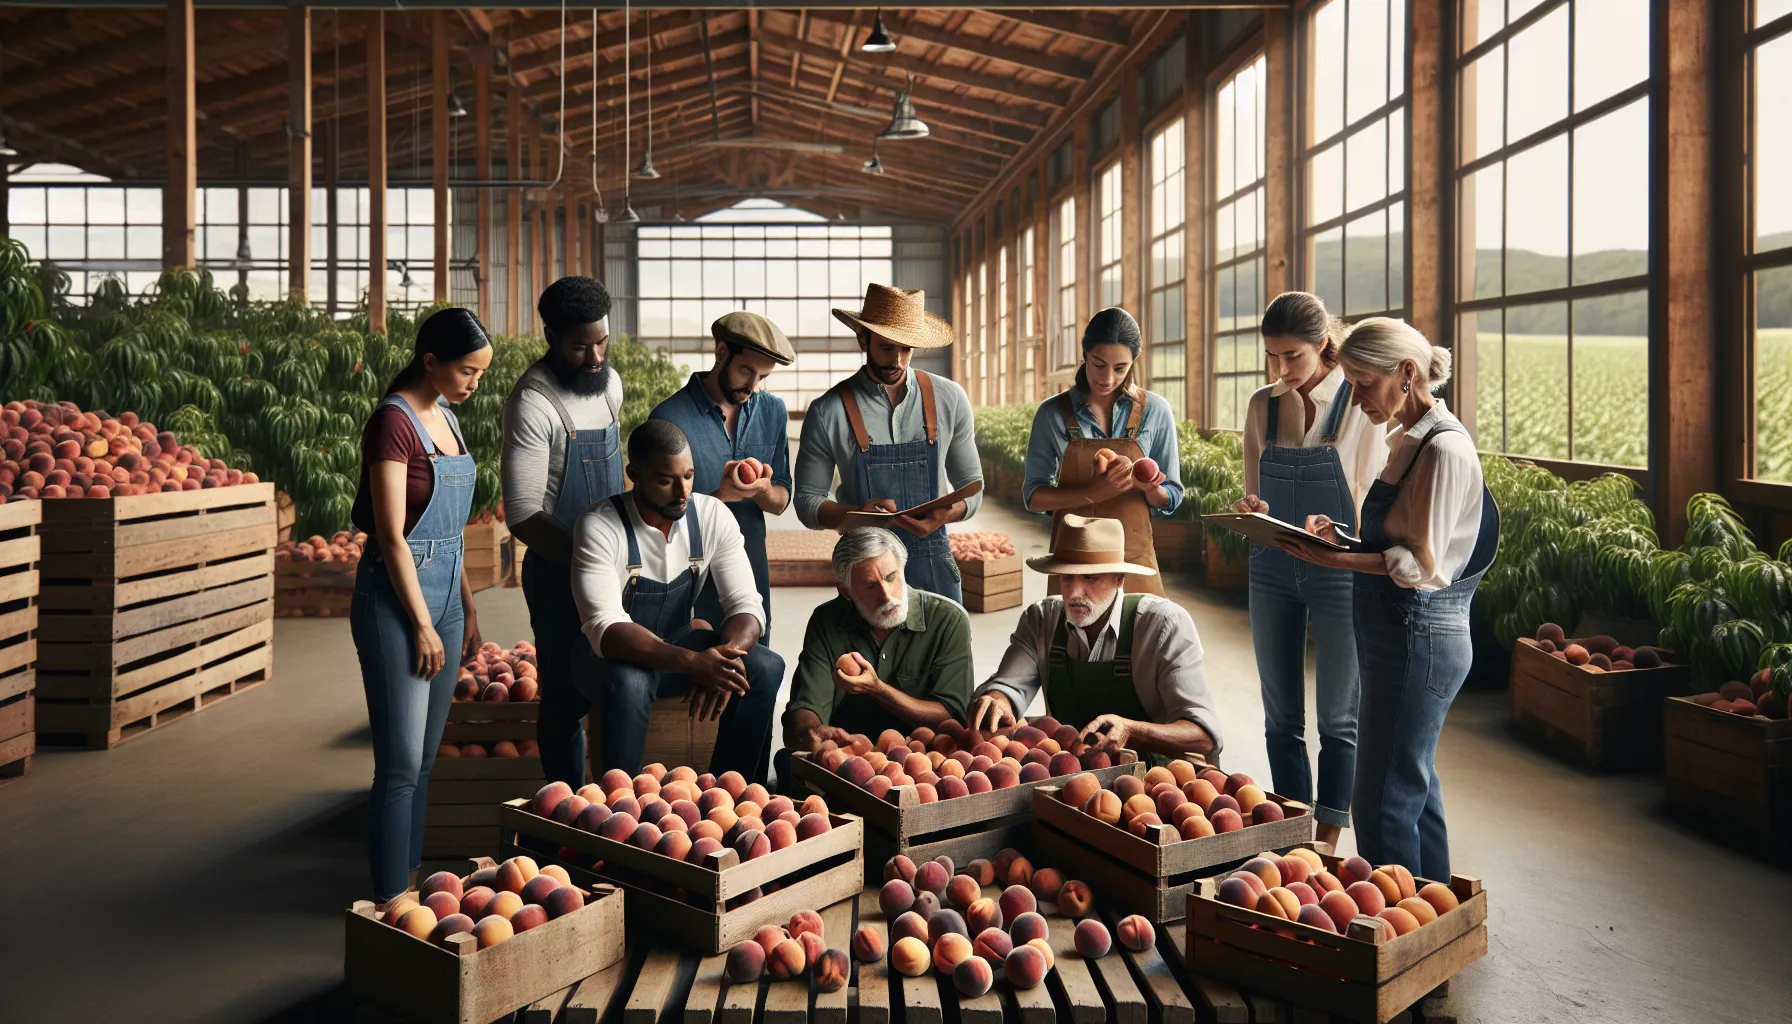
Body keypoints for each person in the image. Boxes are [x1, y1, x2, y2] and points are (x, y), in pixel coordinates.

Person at [1272, 318, 1498, 880]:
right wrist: (1343, 539)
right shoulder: (1409, 439)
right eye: (1349, 382)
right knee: (1413, 789)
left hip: (1418, 633)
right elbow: (1400, 540)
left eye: (1365, 382)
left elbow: (1421, 567)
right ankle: (1432, 920)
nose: (1355, 395)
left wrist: (1335, 561)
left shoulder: (1444, 450)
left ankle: (1391, 938)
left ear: (1407, 373)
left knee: (1378, 801)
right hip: (1395, 633)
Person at [1231, 292, 1388, 851]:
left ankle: (1326, 839)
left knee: (1339, 718)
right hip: (1270, 566)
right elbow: (1254, 488)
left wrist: (1343, 535)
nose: (1281, 370)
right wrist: (1250, 508)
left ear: (1324, 344)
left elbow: (1371, 495)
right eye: (1272, 357)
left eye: (1292, 356)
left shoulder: (1359, 403)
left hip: (1339, 569)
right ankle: (1292, 831)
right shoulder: (1262, 405)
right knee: (1280, 716)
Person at [349, 308, 492, 908]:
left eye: (481, 374)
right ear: (429, 360)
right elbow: (391, 536)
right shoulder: (394, 424)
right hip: (395, 602)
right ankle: (387, 901)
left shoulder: (449, 420)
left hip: (447, 601)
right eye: (466, 370)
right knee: (400, 764)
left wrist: (464, 608)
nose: (473, 383)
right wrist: (422, 622)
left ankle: (408, 888)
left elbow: (453, 532)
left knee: (426, 762)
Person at [571, 420, 783, 782]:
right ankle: (621, 807)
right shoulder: (600, 525)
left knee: (765, 666)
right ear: (634, 474)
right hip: (607, 659)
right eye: (666, 480)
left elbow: (747, 605)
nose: (682, 491)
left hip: (679, 645)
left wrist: (722, 658)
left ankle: (733, 792)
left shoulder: (713, 516)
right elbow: (606, 629)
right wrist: (694, 663)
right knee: (632, 684)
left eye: (689, 476)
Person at [502, 276, 625, 789]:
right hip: (559, 571)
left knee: (616, 681)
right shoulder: (533, 403)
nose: (595, 357)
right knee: (564, 696)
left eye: (602, 341)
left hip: (619, 566)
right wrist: (590, 560)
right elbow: (524, 514)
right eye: (580, 346)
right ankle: (565, 806)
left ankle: (617, 800)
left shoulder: (610, 384)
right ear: (551, 335)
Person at [967, 515, 1221, 764]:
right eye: (1067, 577)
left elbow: (1204, 735)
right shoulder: (1041, 620)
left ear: (1119, 579)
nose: (1075, 593)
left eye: (1090, 578)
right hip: (1075, 777)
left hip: (1157, 781)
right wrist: (998, 699)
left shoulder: (1164, 624)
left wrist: (1133, 730)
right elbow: (1009, 685)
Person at [795, 284, 982, 605]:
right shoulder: (828, 411)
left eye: (906, 348)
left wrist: (945, 515)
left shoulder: (950, 398)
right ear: (862, 338)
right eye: (886, 347)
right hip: (865, 570)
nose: (897, 359)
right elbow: (807, 501)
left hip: (933, 563)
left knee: (944, 654)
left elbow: (973, 487)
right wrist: (855, 514)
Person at [780, 527, 976, 780]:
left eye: (892, 577)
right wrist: (811, 731)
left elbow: (952, 715)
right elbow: (807, 705)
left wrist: (877, 689)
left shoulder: (948, 619)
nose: (886, 595)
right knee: (788, 764)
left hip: (925, 762)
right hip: (850, 763)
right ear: (847, 592)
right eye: (870, 586)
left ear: (903, 571)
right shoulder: (826, 621)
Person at [648, 312, 794, 642]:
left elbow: (781, 499)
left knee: (755, 665)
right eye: (746, 371)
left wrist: (762, 490)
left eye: (763, 376)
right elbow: (655, 519)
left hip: (750, 561)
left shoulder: (772, 411)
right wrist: (721, 496)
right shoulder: (668, 418)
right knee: (694, 670)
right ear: (722, 353)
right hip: (688, 567)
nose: (753, 385)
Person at [1022, 308, 1182, 597]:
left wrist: (1151, 489)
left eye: (1120, 368)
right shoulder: (1052, 414)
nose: (1108, 378)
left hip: (1133, 563)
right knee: (1071, 641)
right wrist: (1091, 494)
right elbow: (1033, 497)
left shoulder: (1155, 411)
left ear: (1133, 362)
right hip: (1073, 567)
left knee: (1138, 638)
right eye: (1098, 364)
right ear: (1085, 355)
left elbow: (1172, 495)